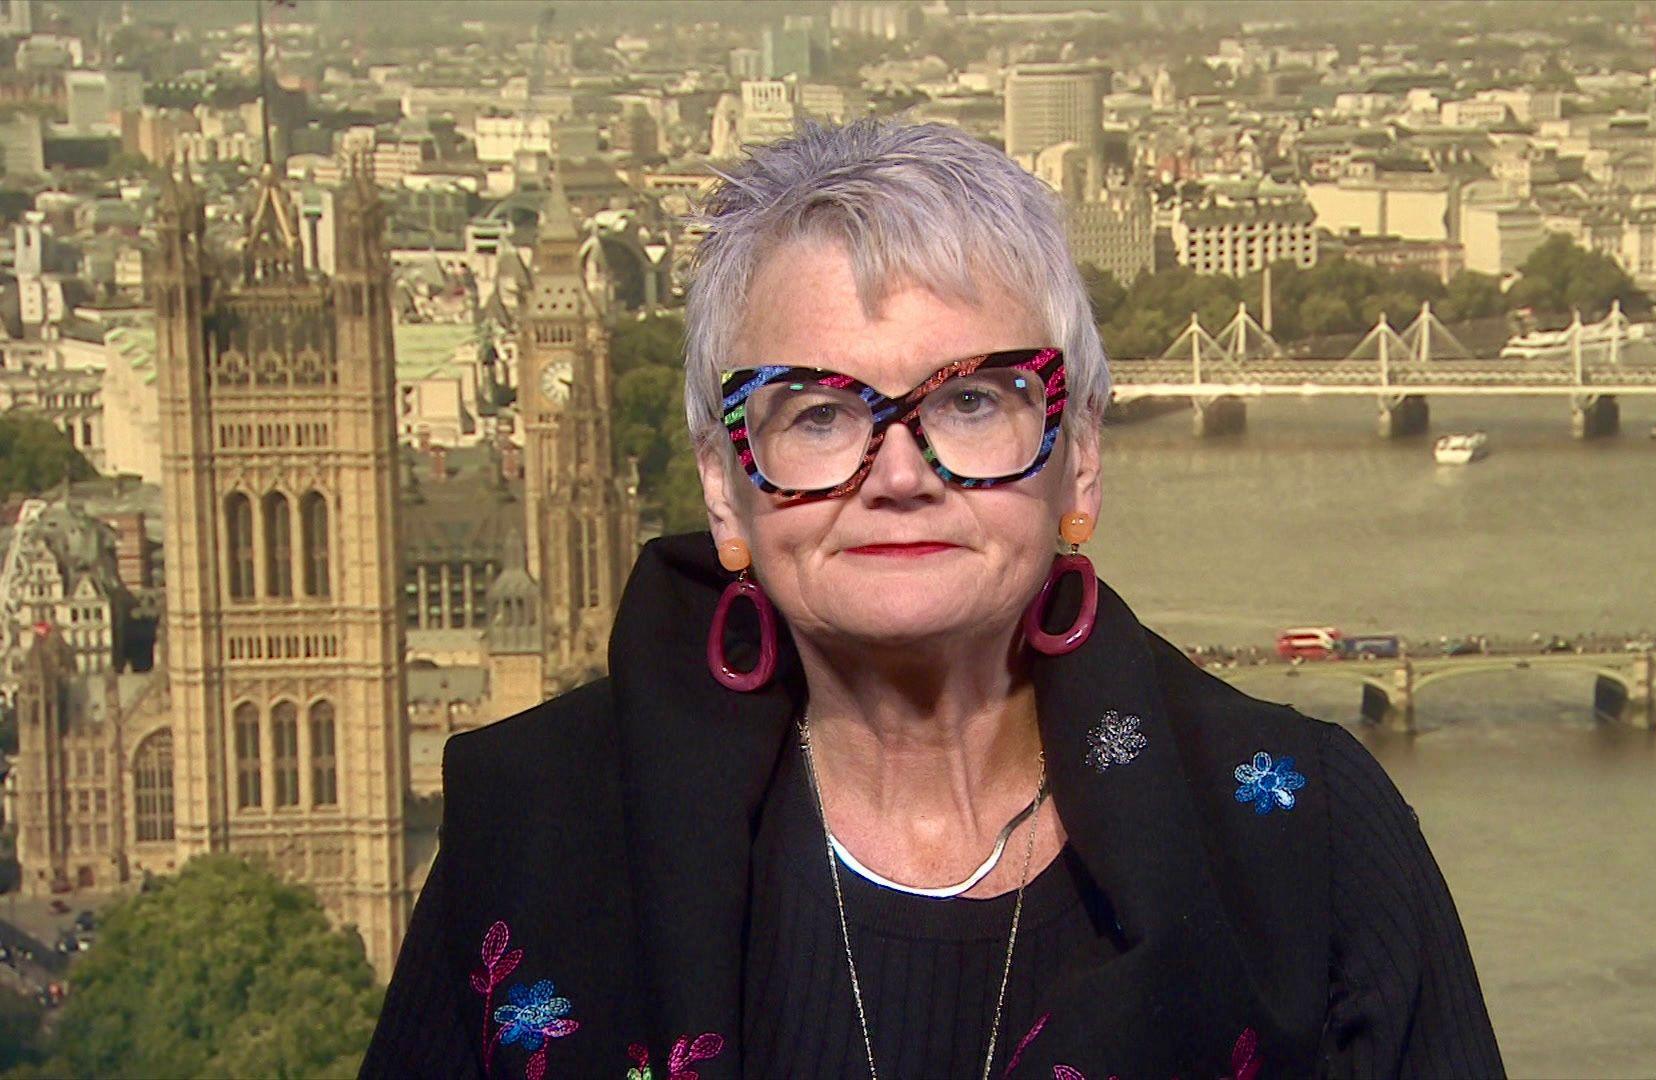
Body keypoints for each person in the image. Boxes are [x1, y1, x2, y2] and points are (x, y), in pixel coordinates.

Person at [363, 120, 1502, 1080]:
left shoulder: (1319, 842)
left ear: (1082, 458)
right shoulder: (534, 835)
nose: (899, 473)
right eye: (817, 414)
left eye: (972, 405)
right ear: (724, 488)